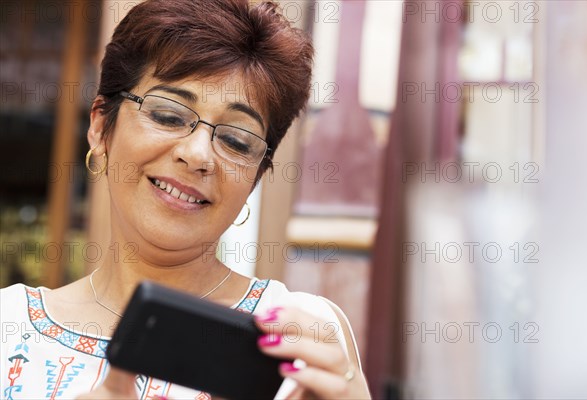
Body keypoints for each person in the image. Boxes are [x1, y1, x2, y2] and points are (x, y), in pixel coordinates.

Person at [0, 0, 371, 399]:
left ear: (256, 176)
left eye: (235, 140)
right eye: (168, 116)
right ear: (100, 126)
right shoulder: (9, 327)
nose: (198, 155)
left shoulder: (302, 340)